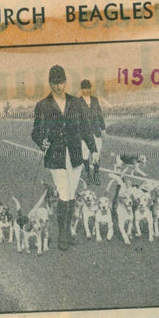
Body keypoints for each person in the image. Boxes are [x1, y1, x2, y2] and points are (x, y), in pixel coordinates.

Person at [31, 65, 98, 250]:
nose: (58, 87)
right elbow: (35, 132)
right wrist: (41, 142)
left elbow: (85, 128)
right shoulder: (43, 105)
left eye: (61, 82)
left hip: (75, 155)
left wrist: (93, 149)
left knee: (70, 194)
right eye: (54, 83)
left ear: (66, 82)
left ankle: (68, 231)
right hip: (56, 156)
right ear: (49, 83)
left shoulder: (76, 103)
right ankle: (63, 235)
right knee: (63, 193)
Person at [79, 79, 106, 185]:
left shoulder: (95, 100)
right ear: (81, 90)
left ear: (90, 89)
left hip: (96, 133)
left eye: (88, 88)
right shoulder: (78, 102)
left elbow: (99, 114)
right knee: (85, 155)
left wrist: (103, 128)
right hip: (84, 135)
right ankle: (88, 174)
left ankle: (96, 175)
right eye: (84, 88)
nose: (87, 90)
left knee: (96, 154)